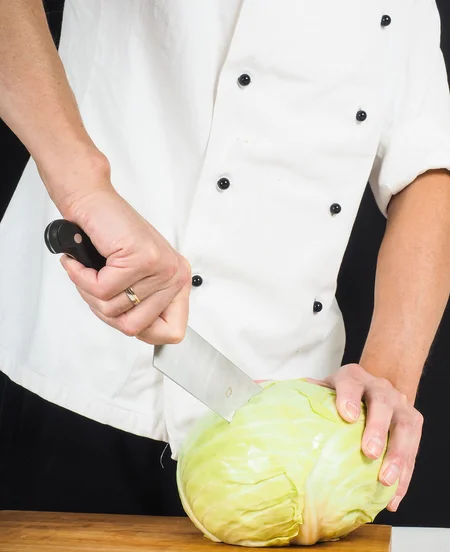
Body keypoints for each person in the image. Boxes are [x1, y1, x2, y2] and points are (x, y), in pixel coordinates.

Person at [0, 0, 449, 518]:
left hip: (288, 445)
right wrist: (84, 189)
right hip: (77, 373)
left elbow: (426, 163)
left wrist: (387, 381)